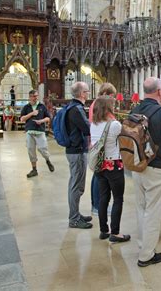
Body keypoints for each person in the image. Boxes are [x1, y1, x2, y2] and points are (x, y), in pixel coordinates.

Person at [131, 77, 161, 267]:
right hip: (158, 169)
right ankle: (146, 255)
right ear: (159, 92)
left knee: (142, 209)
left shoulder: (135, 110)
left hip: (138, 167)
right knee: (154, 213)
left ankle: (144, 245)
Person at [90, 96, 130, 243]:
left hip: (99, 166)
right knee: (118, 198)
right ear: (108, 108)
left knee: (103, 198)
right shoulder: (114, 125)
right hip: (113, 165)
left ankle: (103, 230)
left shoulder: (93, 124)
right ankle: (116, 232)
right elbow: (128, 137)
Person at [65, 81, 93, 229]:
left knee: (76, 185)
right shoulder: (76, 109)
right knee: (76, 186)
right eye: (87, 91)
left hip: (75, 150)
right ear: (82, 93)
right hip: (76, 151)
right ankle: (74, 219)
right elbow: (87, 128)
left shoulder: (73, 107)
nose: (88, 94)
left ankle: (75, 214)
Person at [88, 83, 117, 216]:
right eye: (111, 96)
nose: (113, 99)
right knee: (98, 178)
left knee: (97, 177)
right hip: (101, 146)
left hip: (98, 144)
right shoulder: (100, 105)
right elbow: (109, 123)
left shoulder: (97, 103)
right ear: (105, 93)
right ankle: (97, 206)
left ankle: (97, 204)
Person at [20, 90, 55, 178]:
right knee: (31, 150)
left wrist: (41, 121)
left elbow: (48, 118)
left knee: (43, 149)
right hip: (30, 132)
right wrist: (31, 113)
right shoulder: (26, 107)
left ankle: (47, 160)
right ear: (30, 97)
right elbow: (22, 119)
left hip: (40, 131)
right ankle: (34, 169)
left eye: (36, 96)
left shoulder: (42, 106)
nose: (35, 98)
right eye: (34, 96)